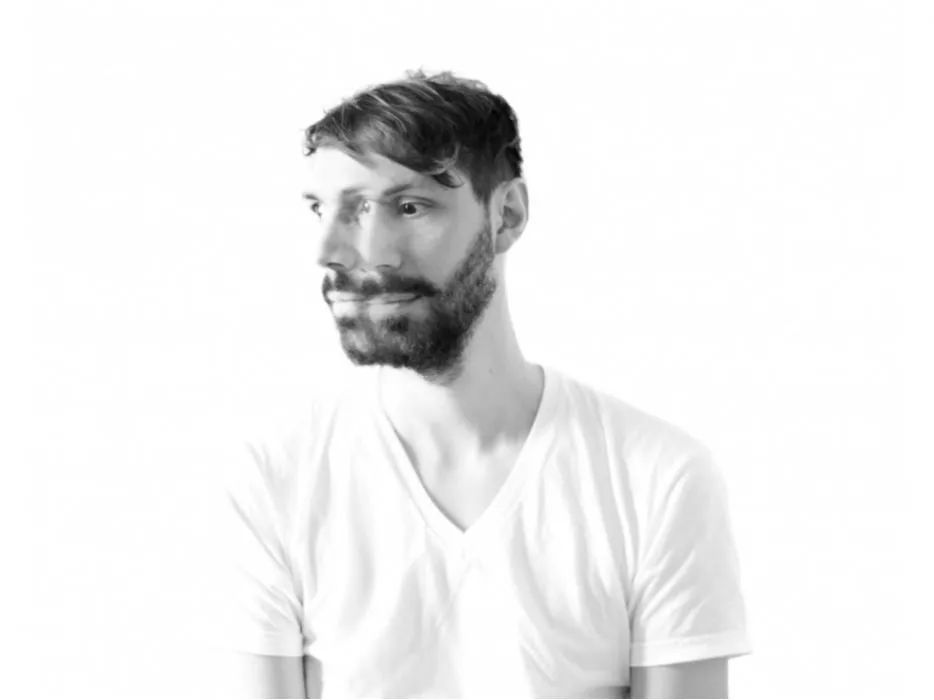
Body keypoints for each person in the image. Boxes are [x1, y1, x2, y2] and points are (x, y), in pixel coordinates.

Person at [217, 69, 752, 698]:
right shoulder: (277, 477)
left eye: (406, 207)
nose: (334, 250)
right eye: (323, 209)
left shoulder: (655, 476)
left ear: (507, 215)